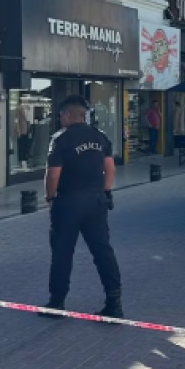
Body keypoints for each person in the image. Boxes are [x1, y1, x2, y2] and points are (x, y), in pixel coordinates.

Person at [41, 95, 123, 318]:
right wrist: (105, 191)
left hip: (68, 203)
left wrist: (50, 198)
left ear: (68, 115)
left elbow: (53, 174)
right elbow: (110, 169)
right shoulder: (100, 137)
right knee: (102, 251)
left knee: (62, 253)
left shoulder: (61, 139)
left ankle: (57, 303)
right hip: (96, 202)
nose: (60, 119)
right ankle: (114, 302)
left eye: (61, 115)